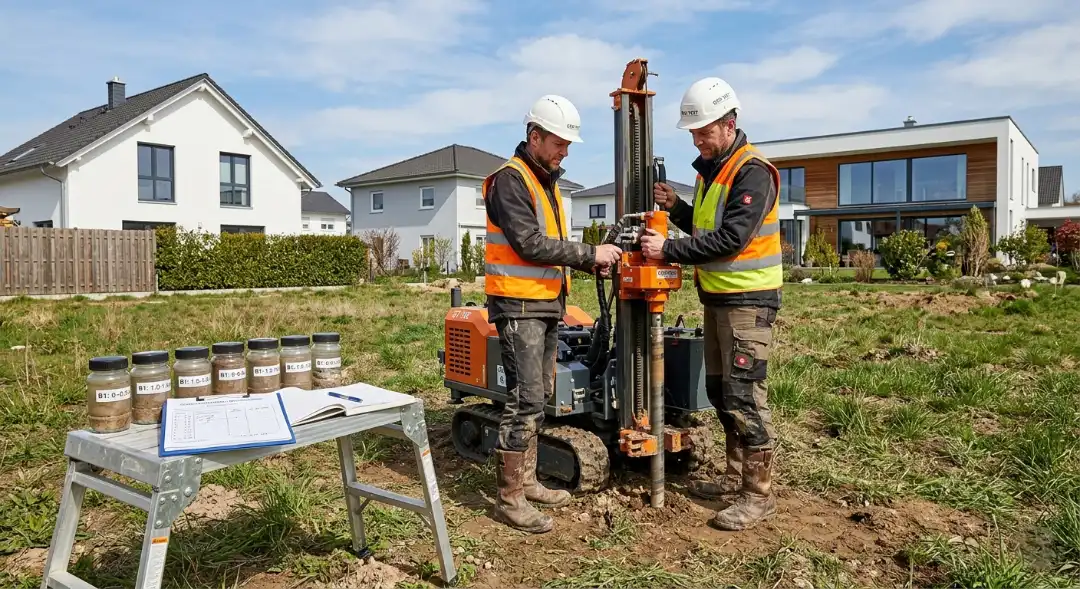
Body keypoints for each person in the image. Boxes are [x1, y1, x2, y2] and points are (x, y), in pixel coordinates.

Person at [639, 77, 782, 531]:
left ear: (729, 124)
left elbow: (731, 239)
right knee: (721, 392)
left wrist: (667, 249)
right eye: (694, 133)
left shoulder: (751, 171)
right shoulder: (712, 173)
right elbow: (707, 228)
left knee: (745, 395)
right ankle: (736, 478)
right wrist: (677, 208)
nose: (698, 141)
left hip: (748, 303)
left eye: (704, 132)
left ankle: (758, 495)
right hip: (719, 299)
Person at [482, 94, 623, 534]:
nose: (565, 152)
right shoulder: (511, 180)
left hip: (543, 303)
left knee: (539, 394)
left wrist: (588, 262)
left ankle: (528, 481)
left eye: (567, 145)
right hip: (518, 304)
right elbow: (528, 243)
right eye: (559, 143)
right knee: (525, 398)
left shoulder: (546, 182)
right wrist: (589, 254)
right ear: (534, 136)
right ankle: (509, 499)